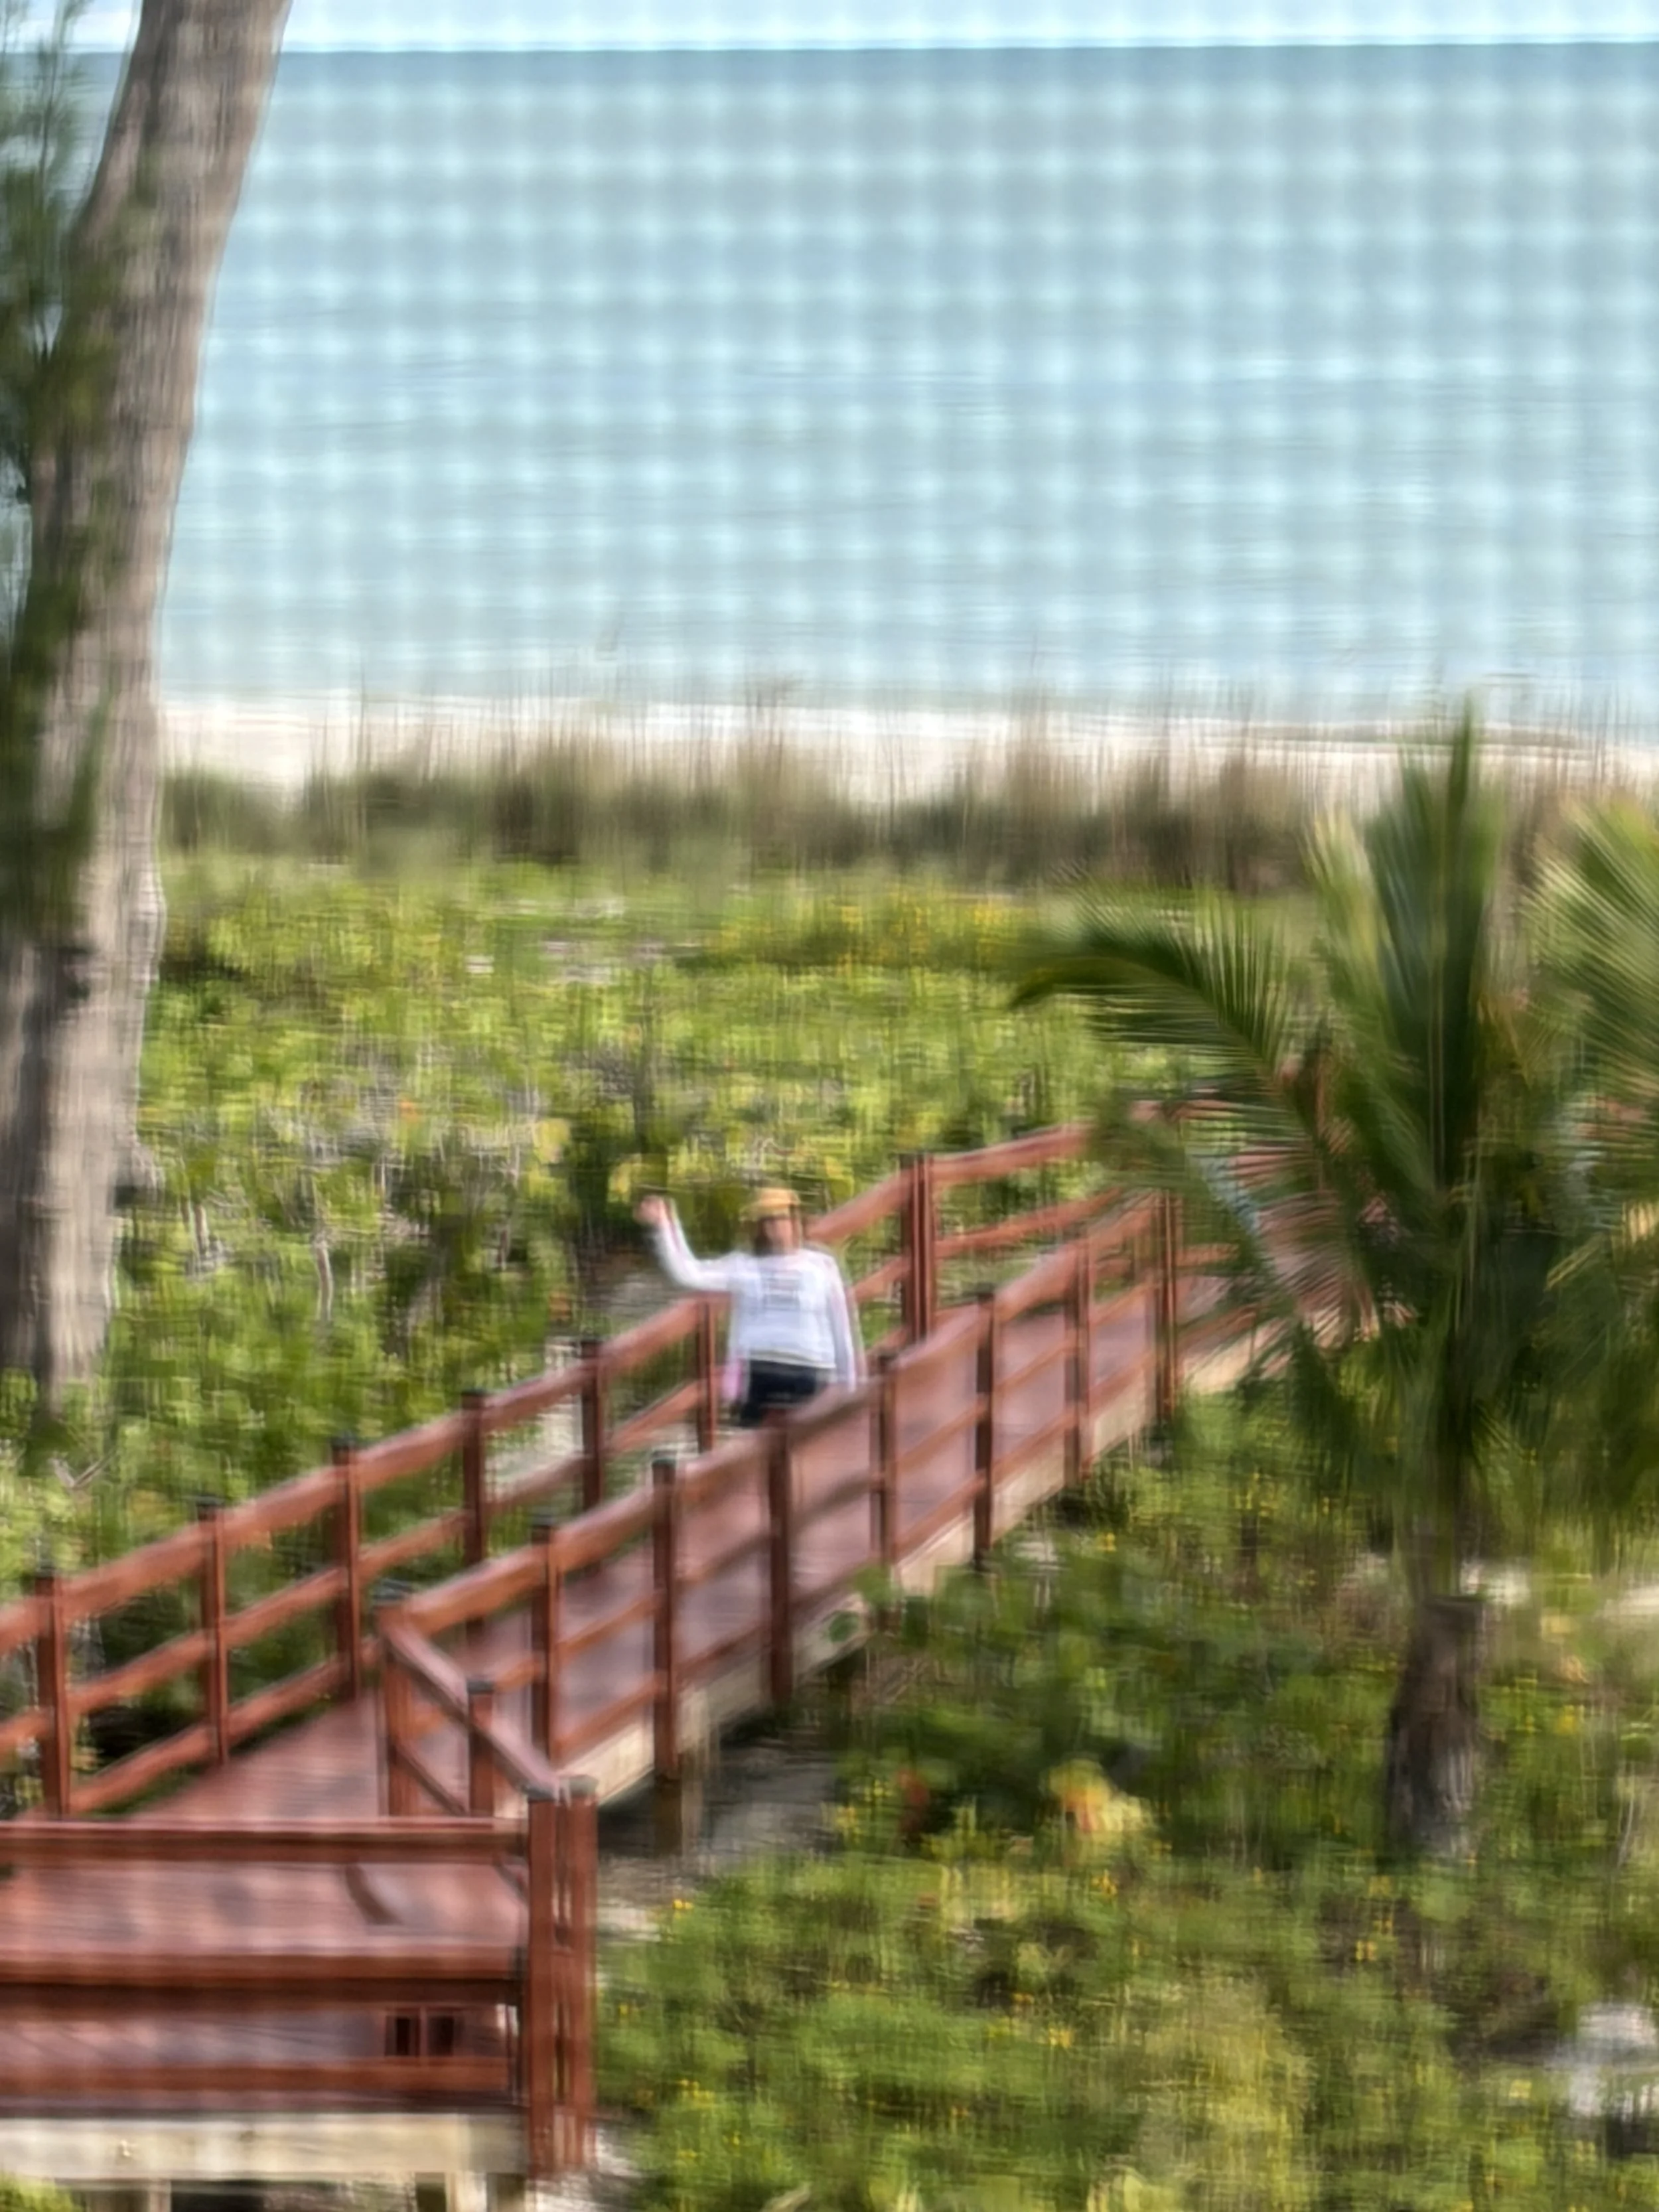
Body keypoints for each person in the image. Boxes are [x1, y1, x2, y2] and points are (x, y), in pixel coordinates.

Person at [634, 1185, 865, 1426]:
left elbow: (842, 1325)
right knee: (754, 1443)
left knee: (806, 1442)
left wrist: (850, 1387)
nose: (775, 1228)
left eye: (781, 1219)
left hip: (810, 1369)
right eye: (767, 1221)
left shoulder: (821, 1266)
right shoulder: (745, 1266)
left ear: (795, 1220)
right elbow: (689, 1273)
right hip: (759, 1369)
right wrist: (664, 1223)